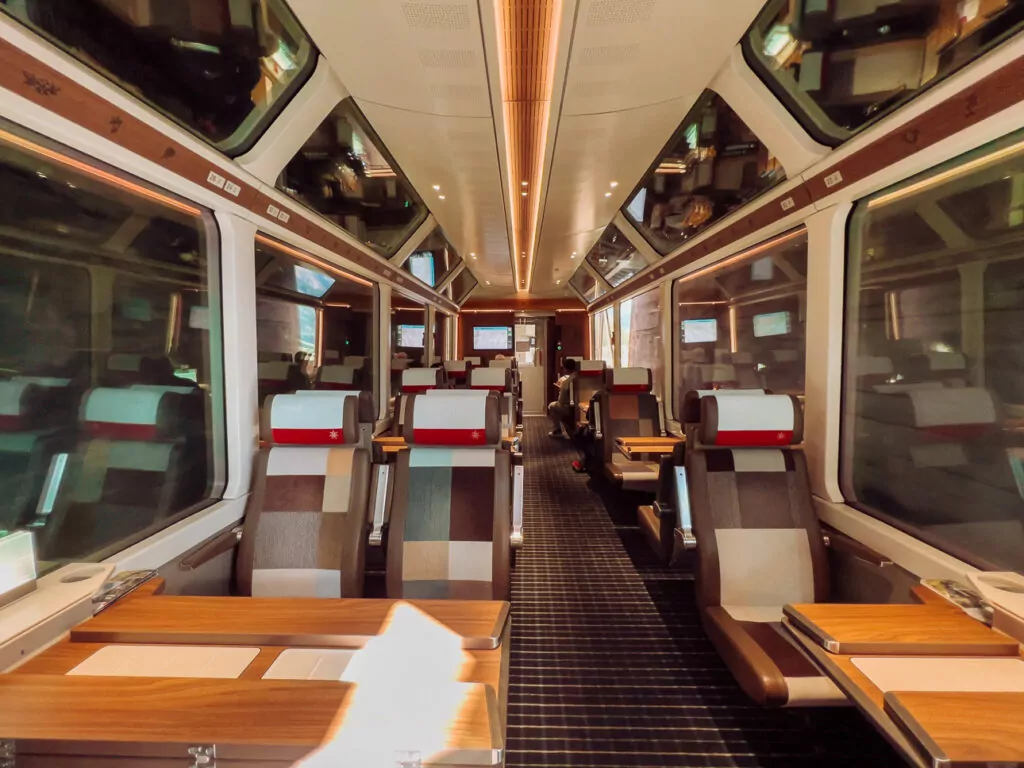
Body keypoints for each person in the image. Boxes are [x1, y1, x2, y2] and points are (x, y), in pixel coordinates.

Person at [547, 358, 577, 438]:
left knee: (551, 406)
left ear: (566, 369)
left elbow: (562, 399)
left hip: (567, 407)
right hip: (574, 405)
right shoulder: (577, 377)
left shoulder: (568, 381)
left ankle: (558, 430)